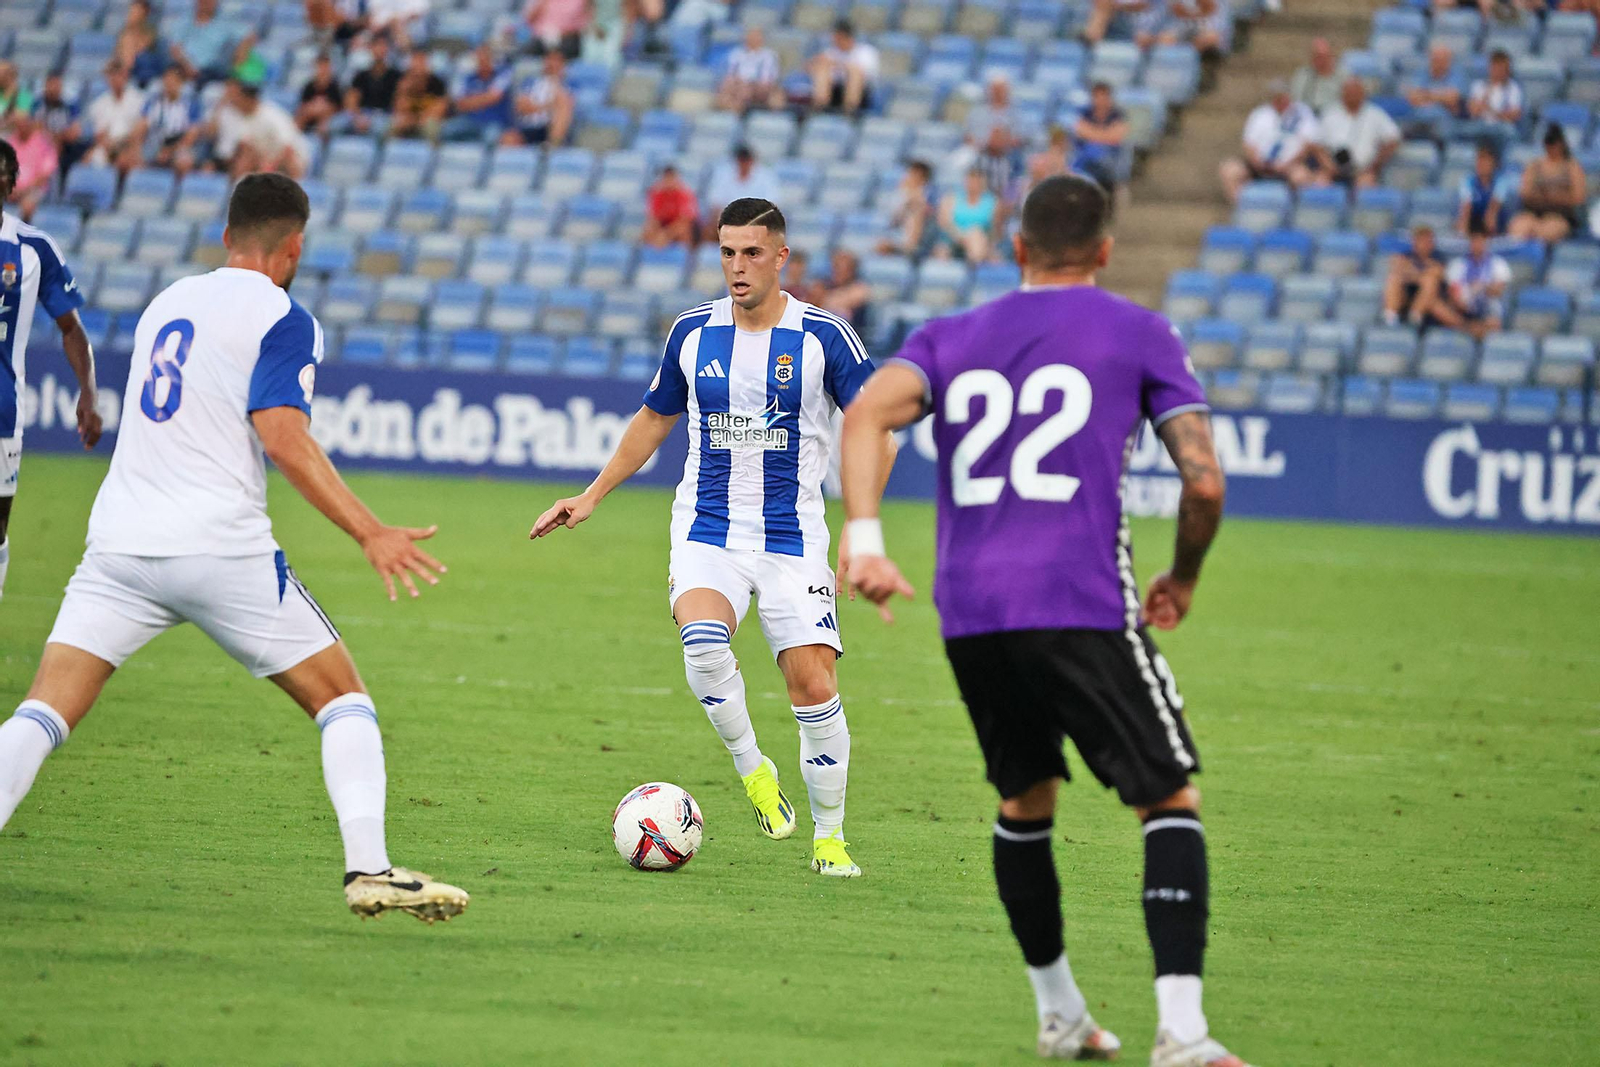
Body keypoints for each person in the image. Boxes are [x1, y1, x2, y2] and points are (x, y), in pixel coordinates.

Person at [838, 173, 1250, 1067]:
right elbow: (1205, 481)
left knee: (1025, 797)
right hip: (1080, 599)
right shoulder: (1140, 332)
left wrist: (864, 539)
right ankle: (1182, 1032)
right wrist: (1182, 576)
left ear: (1016, 247)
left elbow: (866, 412)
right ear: (1105, 250)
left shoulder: (949, 336)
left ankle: (1061, 1014)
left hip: (972, 612)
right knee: (1167, 796)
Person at [0, 174, 470, 923]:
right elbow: (282, 435)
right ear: (295, 248)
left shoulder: (167, 302)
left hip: (119, 544)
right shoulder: (284, 316)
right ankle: (369, 868)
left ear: (226, 236)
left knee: (43, 711)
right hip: (221, 548)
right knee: (343, 700)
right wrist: (369, 530)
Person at [531, 198, 894, 880]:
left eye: (751, 252)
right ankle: (754, 770)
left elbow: (878, 430)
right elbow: (653, 418)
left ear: (781, 257)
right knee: (701, 640)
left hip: (793, 539)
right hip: (708, 529)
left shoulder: (824, 337)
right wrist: (592, 494)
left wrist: (860, 527)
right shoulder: (692, 333)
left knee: (813, 687)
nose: (737, 266)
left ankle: (830, 838)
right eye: (727, 252)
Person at [0, 139, 103, 603]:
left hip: (2, 408)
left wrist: (88, 393)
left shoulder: (33, 249)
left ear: (11, 185)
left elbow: (72, 328)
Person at [1217, 79, 1317, 203]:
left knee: (1301, 177)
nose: (1281, 100)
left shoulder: (1303, 113)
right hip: (1260, 165)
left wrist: (1288, 164)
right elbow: (1248, 144)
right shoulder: (1260, 114)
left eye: (1283, 96)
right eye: (1277, 96)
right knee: (1230, 170)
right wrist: (1257, 163)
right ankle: (1243, 207)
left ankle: (1291, 211)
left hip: (1290, 165)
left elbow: (1308, 146)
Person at [1313, 76, 1400, 188]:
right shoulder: (1330, 114)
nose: (1352, 96)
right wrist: (1327, 164)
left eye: (1356, 92)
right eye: (1349, 92)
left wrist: (1374, 165)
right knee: (1318, 184)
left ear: (1363, 94)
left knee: (1366, 187)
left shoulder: (1375, 114)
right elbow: (1316, 144)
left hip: (1363, 170)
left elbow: (1393, 139)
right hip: (1332, 168)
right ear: (1342, 94)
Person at [1507, 124, 1587, 243]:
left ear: (1561, 145)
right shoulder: (1535, 165)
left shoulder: (1572, 167)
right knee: (1517, 228)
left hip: (1559, 215)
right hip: (1533, 213)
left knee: (1546, 231)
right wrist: (1543, 197)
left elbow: (1578, 197)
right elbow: (1525, 192)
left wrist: (1555, 197)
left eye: (1555, 145)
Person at [1436, 222, 1510, 340]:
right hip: (1463, 310)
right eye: (1474, 241)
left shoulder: (1498, 264)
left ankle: (1477, 330)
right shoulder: (1458, 264)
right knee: (1443, 309)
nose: (1477, 245)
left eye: (1480, 241)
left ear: (1486, 242)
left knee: (1494, 322)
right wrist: (1462, 301)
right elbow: (1452, 292)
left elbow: (1498, 291)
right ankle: (1469, 328)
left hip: (1487, 309)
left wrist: (1483, 287)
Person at [230, 84, 310, 179]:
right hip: (266, 159)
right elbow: (246, 147)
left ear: (248, 99)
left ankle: (294, 185)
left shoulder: (271, 116)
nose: (237, 103)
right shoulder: (245, 118)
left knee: (291, 159)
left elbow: (288, 148)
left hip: (288, 159)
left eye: (239, 99)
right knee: (244, 159)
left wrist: (269, 167)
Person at [702, 144, 780, 240]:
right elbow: (716, 204)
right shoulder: (724, 174)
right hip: (728, 219)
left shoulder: (765, 177)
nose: (744, 164)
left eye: (747, 161)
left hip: (755, 221)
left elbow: (770, 206)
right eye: (741, 161)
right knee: (709, 229)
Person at [966, 75, 1025, 194]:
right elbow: (968, 137)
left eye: (1000, 89)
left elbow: (1019, 139)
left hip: (1007, 153)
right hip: (979, 151)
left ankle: (1008, 195)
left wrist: (1000, 143)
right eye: (994, 89)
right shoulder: (977, 112)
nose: (997, 92)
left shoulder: (1016, 113)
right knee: (964, 159)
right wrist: (986, 143)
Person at [86, 62, 148, 176]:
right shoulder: (99, 104)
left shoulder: (138, 99)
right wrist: (112, 149)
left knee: (131, 159)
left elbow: (141, 129)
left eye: (119, 75)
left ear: (125, 76)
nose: (115, 79)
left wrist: (124, 146)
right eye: (112, 75)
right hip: (109, 147)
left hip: (131, 145)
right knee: (89, 160)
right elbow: (100, 136)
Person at [503, 51, 574, 146]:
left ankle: (552, 146)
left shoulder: (568, 85)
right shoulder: (531, 82)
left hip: (551, 128)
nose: (552, 64)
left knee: (563, 104)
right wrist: (549, 106)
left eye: (557, 61)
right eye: (550, 60)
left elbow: (565, 106)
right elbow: (522, 106)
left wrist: (556, 80)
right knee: (509, 137)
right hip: (529, 126)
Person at [809, 20, 879, 115]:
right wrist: (816, 62)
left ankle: (850, 110)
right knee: (822, 69)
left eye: (838, 37)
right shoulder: (831, 52)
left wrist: (839, 64)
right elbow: (809, 68)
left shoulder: (865, 51)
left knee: (855, 73)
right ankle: (819, 107)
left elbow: (866, 74)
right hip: (834, 91)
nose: (835, 40)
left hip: (861, 92)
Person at [445, 44, 514, 141]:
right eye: (479, 57)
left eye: (486, 57)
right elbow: (459, 104)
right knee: (447, 130)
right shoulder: (469, 78)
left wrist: (471, 101)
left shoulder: (503, 74)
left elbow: (494, 97)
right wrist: (485, 99)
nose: (482, 61)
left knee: (492, 136)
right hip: (470, 120)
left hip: (494, 122)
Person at [143, 65, 203, 176]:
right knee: (132, 157)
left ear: (181, 83)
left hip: (178, 146)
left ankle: (180, 186)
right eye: (166, 80)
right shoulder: (154, 102)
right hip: (154, 144)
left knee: (184, 160)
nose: (169, 84)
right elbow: (142, 125)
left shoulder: (190, 104)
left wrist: (170, 151)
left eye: (173, 80)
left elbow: (192, 134)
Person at [1382, 224, 1446, 327]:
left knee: (1430, 281)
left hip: (1430, 301)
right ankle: (1390, 317)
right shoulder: (1406, 255)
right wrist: (1420, 274)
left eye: (1428, 241)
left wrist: (1413, 274)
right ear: (1415, 242)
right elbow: (1397, 269)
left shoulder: (1438, 257)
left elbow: (1437, 272)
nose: (1425, 244)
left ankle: (1415, 317)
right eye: (1421, 241)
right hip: (1406, 295)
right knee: (1393, 279)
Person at [169, 0, 245, 87]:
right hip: (183, 68)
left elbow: (247, 38)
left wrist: (236, 66)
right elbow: (175, 48)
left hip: (212, 72)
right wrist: (187, 66)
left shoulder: (226, 22)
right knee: (170, 78)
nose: (205, 2)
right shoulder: (184, 21)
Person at [32, 74, 89, 183]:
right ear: (46, 86)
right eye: (51, 85)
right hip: (42, 144)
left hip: (64, 145)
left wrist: (58, 138)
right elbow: (33, 127)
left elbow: (75, 131)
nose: (54, 89)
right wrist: (51, 138)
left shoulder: (70, 105)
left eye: (58, 86)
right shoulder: (36, 103)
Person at [1074, 82, 1129, 194]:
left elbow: (1117, 136)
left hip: (1111, 157)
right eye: (1097, 96)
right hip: (1086, 155)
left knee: (1100, 156)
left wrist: (1093, 134)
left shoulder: (1118, 114)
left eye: (1103, 96)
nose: (1100, 100)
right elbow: (1080, 131)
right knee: (1090, 152)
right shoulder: (1085, 112)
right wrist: (1105, 135)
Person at [1401, 43, 1464, 141]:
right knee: (1401, 129)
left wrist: (1425, 95)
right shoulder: (1421, 73)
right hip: (1419, 119)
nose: (1438, 63)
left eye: (1442, 60)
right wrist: (1440, 97)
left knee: (1441, 130)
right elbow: (1413, 98)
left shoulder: (1456, 75)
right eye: (1435, 59)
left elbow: (1452, 99)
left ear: (1449, 61)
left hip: (1444, 120)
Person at [342, 36, 402, 136]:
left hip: (387, 114)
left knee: (382, 127)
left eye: (383, 46)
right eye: (376, 46)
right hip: (364, 113)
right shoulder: (361, 75)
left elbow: (401, 100)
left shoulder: (396, 76)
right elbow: (351, 100)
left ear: (387, 49)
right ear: (371, 49)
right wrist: (358, 117)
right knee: (337, 123)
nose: (380, 49)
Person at [938, 167, 999, 262]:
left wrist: (981, 237)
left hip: (981, 238)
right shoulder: (951, 199)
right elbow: (945, 223)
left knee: (979, 241)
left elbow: (995, 229)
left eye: (977, 181)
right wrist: (962, 237)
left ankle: (975, 264)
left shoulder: (992, 202)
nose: (973, 184)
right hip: (953, 238)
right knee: (941, 252)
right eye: (971, 180)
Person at [1464, 50, 1523, 151]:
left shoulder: (1513, 88)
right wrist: (1486, 94)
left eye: (1502, 69)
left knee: (1508, 131)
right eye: (1496, 68)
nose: (1498, 72)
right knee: (1466, 129)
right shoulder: (1478, 85)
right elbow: (1473, 112)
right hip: (1480, 126)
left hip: (1501, 127)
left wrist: (1490, 110)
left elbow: (1513, 116)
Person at [878, 159, 936, 258]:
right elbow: (895, 217)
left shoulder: (930, 192)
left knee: (916, 213)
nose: (913, 178)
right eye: (912, 174)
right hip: (900, 229)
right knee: (882, 245)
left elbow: (931, 212)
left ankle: (910, 248)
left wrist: (915, 197)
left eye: (917, 175)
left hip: (923, 233)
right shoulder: (901, 192)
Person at [6, 112, 60, 218]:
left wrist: (23, 190)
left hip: (35, 189)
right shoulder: (10, 142)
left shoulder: (43, 143)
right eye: (18, 125)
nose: (21, 127)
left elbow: (44, 176)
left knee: (27, 205)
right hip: (12, 189)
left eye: (24, 123)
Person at [716, 26, 781, 113]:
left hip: (759, 86)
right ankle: (731, 113)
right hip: (739, 85)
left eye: (756, 37)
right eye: (750, 36)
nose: (752, 39)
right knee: (727, 89)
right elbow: (730, 74)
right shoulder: (736, 53)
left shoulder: (769, 55)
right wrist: (738, 83)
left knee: (745, 91)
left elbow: (767, 79)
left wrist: (749, 85)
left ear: (762, 39)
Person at [1455, 142, 1513, 237]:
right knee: (1463, 218)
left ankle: (1493, 241)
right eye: (1479, 159)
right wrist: (1462, 232)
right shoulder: (1468, 181)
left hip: (1496, 222)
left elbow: (1494, 207)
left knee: (1491, 217)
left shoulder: (1501, 181)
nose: (1481, 164)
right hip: (1474, 221)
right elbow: (1466, 208)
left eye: (1486, 160)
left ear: (1493, 163)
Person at [390, 50, 449, 140]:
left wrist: (420, 118)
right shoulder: (404, 83)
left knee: (431, 128)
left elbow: (440, 109)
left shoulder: (437, 83)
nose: (418, 68)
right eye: (415, 63)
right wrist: (404, 89)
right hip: (409, 119)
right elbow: (399, 107)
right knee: (391, 125)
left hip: (427, 119)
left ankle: (434, 149)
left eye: (421, 63)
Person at [642, 164, 698, 247]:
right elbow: (653, 218)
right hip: (663, 224)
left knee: (684, 232)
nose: (669, 182)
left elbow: (685, 220)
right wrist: (659, 234)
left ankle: (684, 252)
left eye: (671, 178)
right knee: (648, 230)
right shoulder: (657, 193)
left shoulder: (685, 194)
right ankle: (650, 252)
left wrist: (666, 235)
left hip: (678, 225)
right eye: (667, 178)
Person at [115, 0, 166, 87]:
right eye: (131, 11)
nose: (131, 14)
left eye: (135, 12)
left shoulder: (151, 31)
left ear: (144, 14)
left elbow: (139, 51)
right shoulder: (124, 32)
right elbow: (119, 55)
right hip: (128, 72)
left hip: (145, 73)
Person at [816, 249, 871, 328]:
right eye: (836, 267)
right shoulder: (824, 285)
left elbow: (849, 301)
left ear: (852, 270)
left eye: (845, 268)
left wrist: (825, 298)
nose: (839, 272)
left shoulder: (859, 288)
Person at [296, 53, 345, 135]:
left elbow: (339, 107)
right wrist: (314, 107)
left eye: (325, 66)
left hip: (329, 116)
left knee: (325, 121)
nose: (322, 69)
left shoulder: (336, 86)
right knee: (299, 118)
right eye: (320, 66)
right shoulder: (309, 86)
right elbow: (303, 105)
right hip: (310, 114)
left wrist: (322, 107)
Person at [524, 0, 591, 59]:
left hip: (567, 38)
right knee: (526, 52)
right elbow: (529, 20)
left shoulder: (580, 2)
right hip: (542, 37)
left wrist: (560, 34)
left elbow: (583, 25)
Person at [1290, 38, 1341, 114]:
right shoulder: (1303, 75)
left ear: (1330, 56)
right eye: (1316, 56)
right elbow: (1296, 100)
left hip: (1333, 115)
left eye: (1323, 57)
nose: (1320, 61)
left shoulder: (1342, 76)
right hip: (1309, 115)